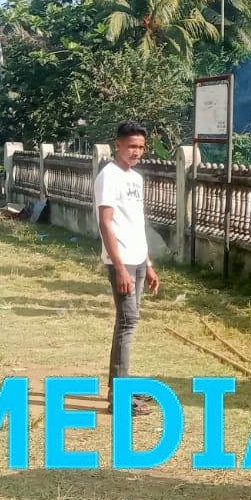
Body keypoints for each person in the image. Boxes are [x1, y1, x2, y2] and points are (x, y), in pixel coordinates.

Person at [95, 121, 161, 417]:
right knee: (128, 322)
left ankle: (120, 386)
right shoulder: (108, 176)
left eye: (141, 147)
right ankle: (118, 396)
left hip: (137, 259)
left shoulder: (135, 178)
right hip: (120, 262)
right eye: (131, 146)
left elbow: (136, 223)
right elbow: (105, 222)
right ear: (117, 144)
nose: (137, 152)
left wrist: (148, 263)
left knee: (129, 322)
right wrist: (119, 267)